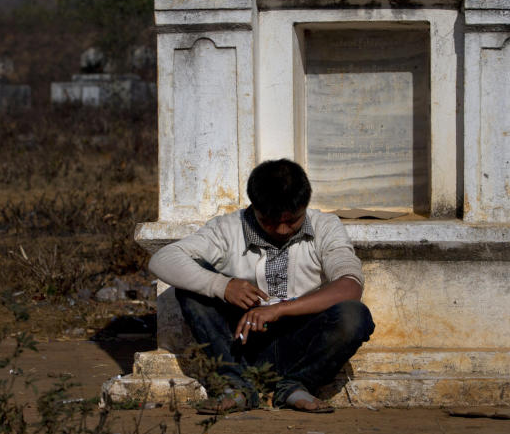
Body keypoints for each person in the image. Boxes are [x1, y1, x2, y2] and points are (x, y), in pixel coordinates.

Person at [149, 159, 374, 414]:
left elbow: (350, 287)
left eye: (292, 221)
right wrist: (222, 285)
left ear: (305, 206)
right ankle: (236, 387)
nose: (281, 229)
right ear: (255, 207)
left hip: (299, 342)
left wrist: (279, 310)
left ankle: (295, 386)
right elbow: (162, 259)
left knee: (355, 315)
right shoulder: (227, 228)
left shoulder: (326, 227)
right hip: (241, 346)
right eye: (270, 221)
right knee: (190, 289)